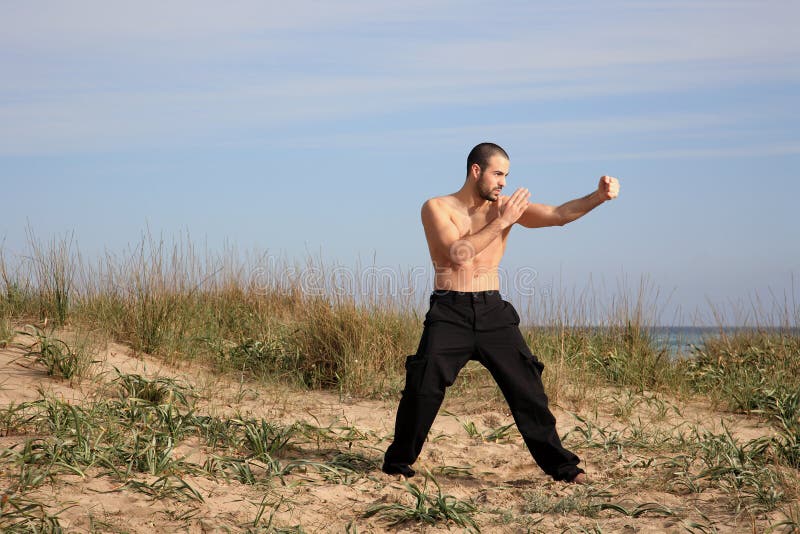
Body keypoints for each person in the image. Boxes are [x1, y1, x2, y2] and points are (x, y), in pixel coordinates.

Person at [382, 142, 620, 484]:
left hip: (493, 310)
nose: (503, 183)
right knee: (423, 387)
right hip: (450, 310)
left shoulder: (505, 207)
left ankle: (563, 468)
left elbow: (558, 215)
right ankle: (398, 463)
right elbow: (457, 254)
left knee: (528, 389)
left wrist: (598, 197)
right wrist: (504, 221)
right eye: (497, 174)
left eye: (506, 176)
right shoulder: (437, 207)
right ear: (475, 171)